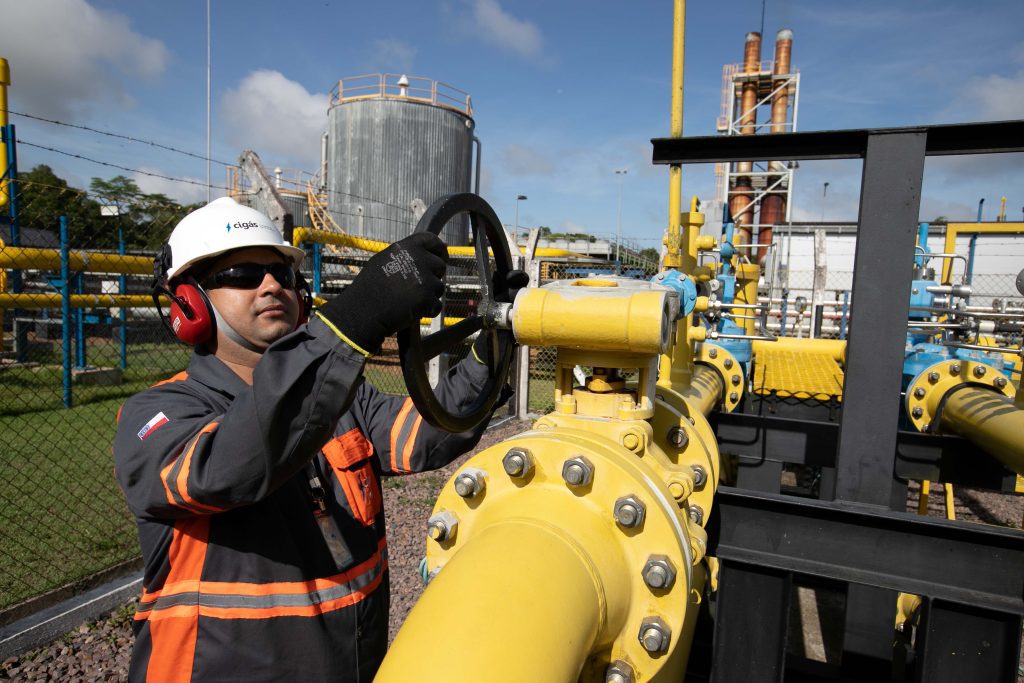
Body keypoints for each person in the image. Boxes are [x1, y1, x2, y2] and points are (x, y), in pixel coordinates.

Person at [114, 197, 513, 681]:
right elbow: (226, 466)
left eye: (282, 275)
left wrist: (492, 349)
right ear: (190, 303)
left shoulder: (343, 401)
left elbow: (423, 430)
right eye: (242, 274)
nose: (270, 286)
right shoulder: (158, 414)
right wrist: (356, 319)